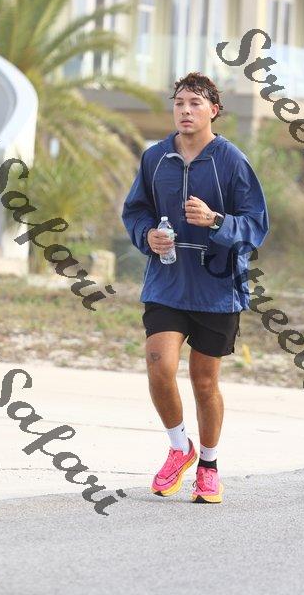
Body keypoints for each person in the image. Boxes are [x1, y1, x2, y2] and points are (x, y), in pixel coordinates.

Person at [122, 71, 269, 503]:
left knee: (204, 383)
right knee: (159, 366)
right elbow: (135, 212)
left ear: (213, 111)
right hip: (166, 283)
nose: (185, 111)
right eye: (179, 103)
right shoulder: (155, 158)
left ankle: (208, 464)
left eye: (195, 103)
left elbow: (256, 226)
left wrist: (216, 220)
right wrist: (146, 235)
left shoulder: (232, 160)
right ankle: (178, 448)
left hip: (217, 288)